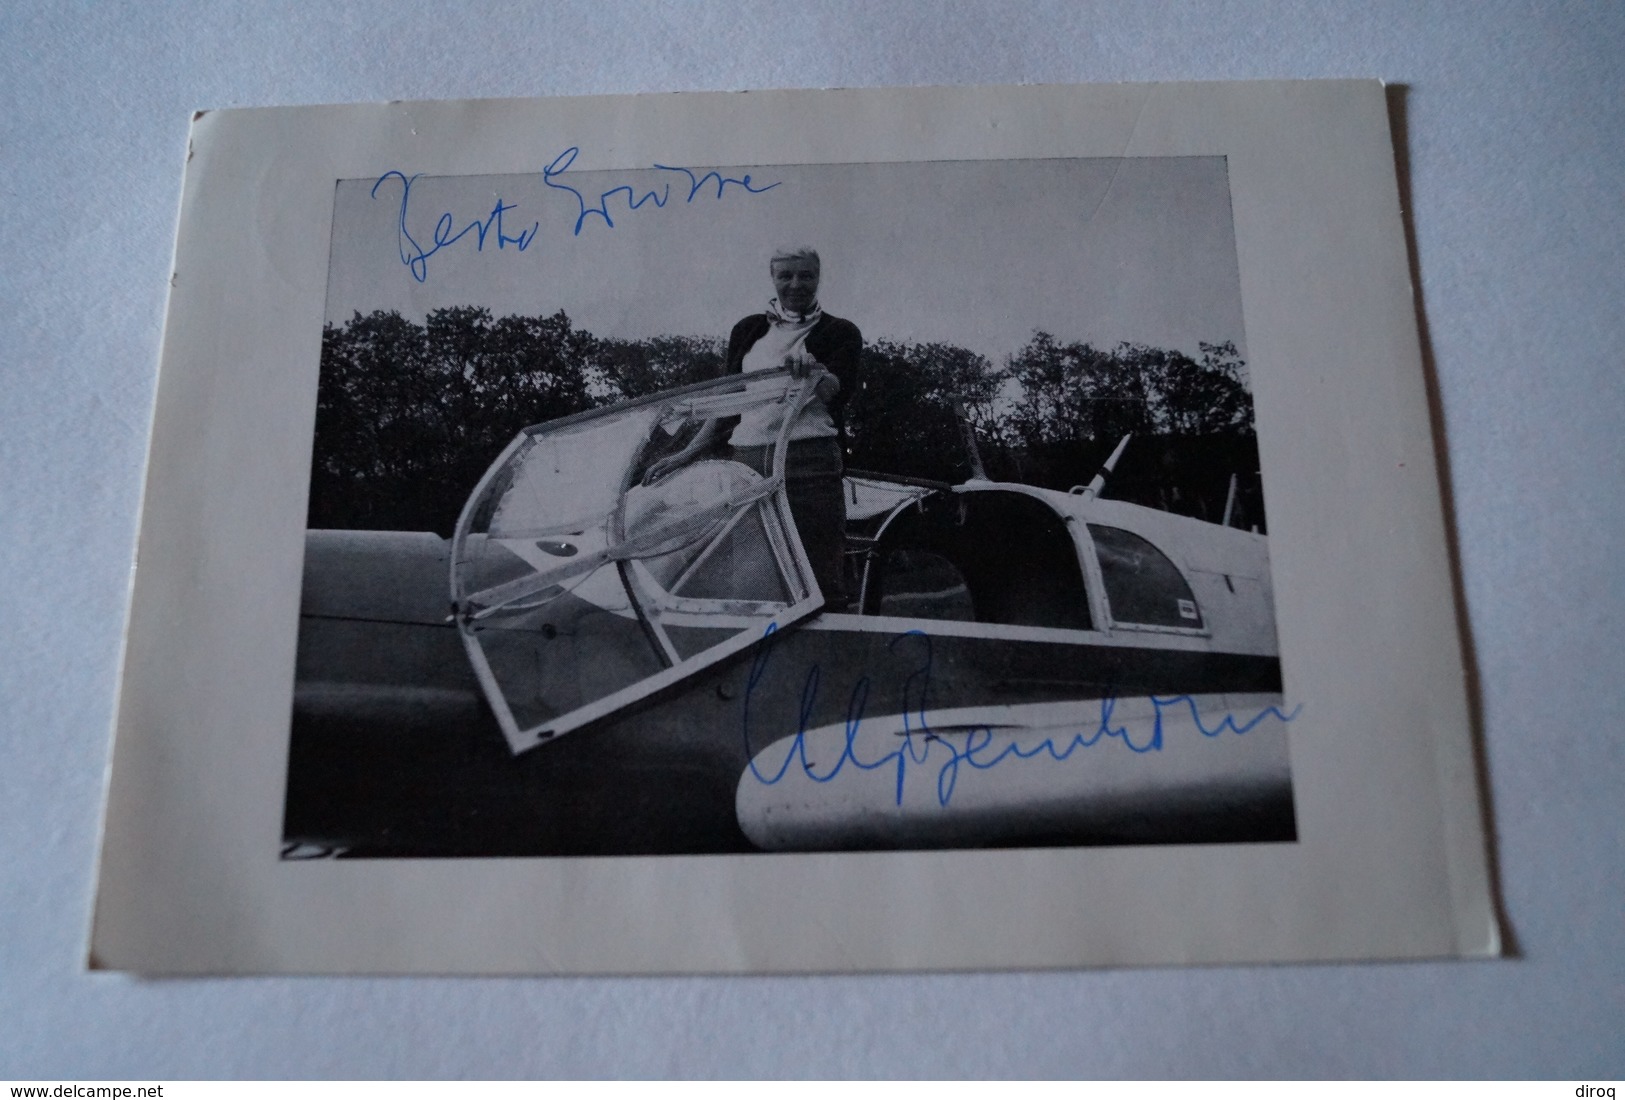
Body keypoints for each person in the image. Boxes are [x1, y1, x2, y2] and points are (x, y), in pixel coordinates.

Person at [647, 247, 862, 608]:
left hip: (811, 463)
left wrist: (814, 371)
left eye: (806, 275)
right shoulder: (748, 330)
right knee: (750, 574)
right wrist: (685, 454)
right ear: (773, 278)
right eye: (786, 276)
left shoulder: (841, 332)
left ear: (818, 277)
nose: (796, 284)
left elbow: (833, 392)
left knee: (821, 575)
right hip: (745, 462)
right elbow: (729, 402)